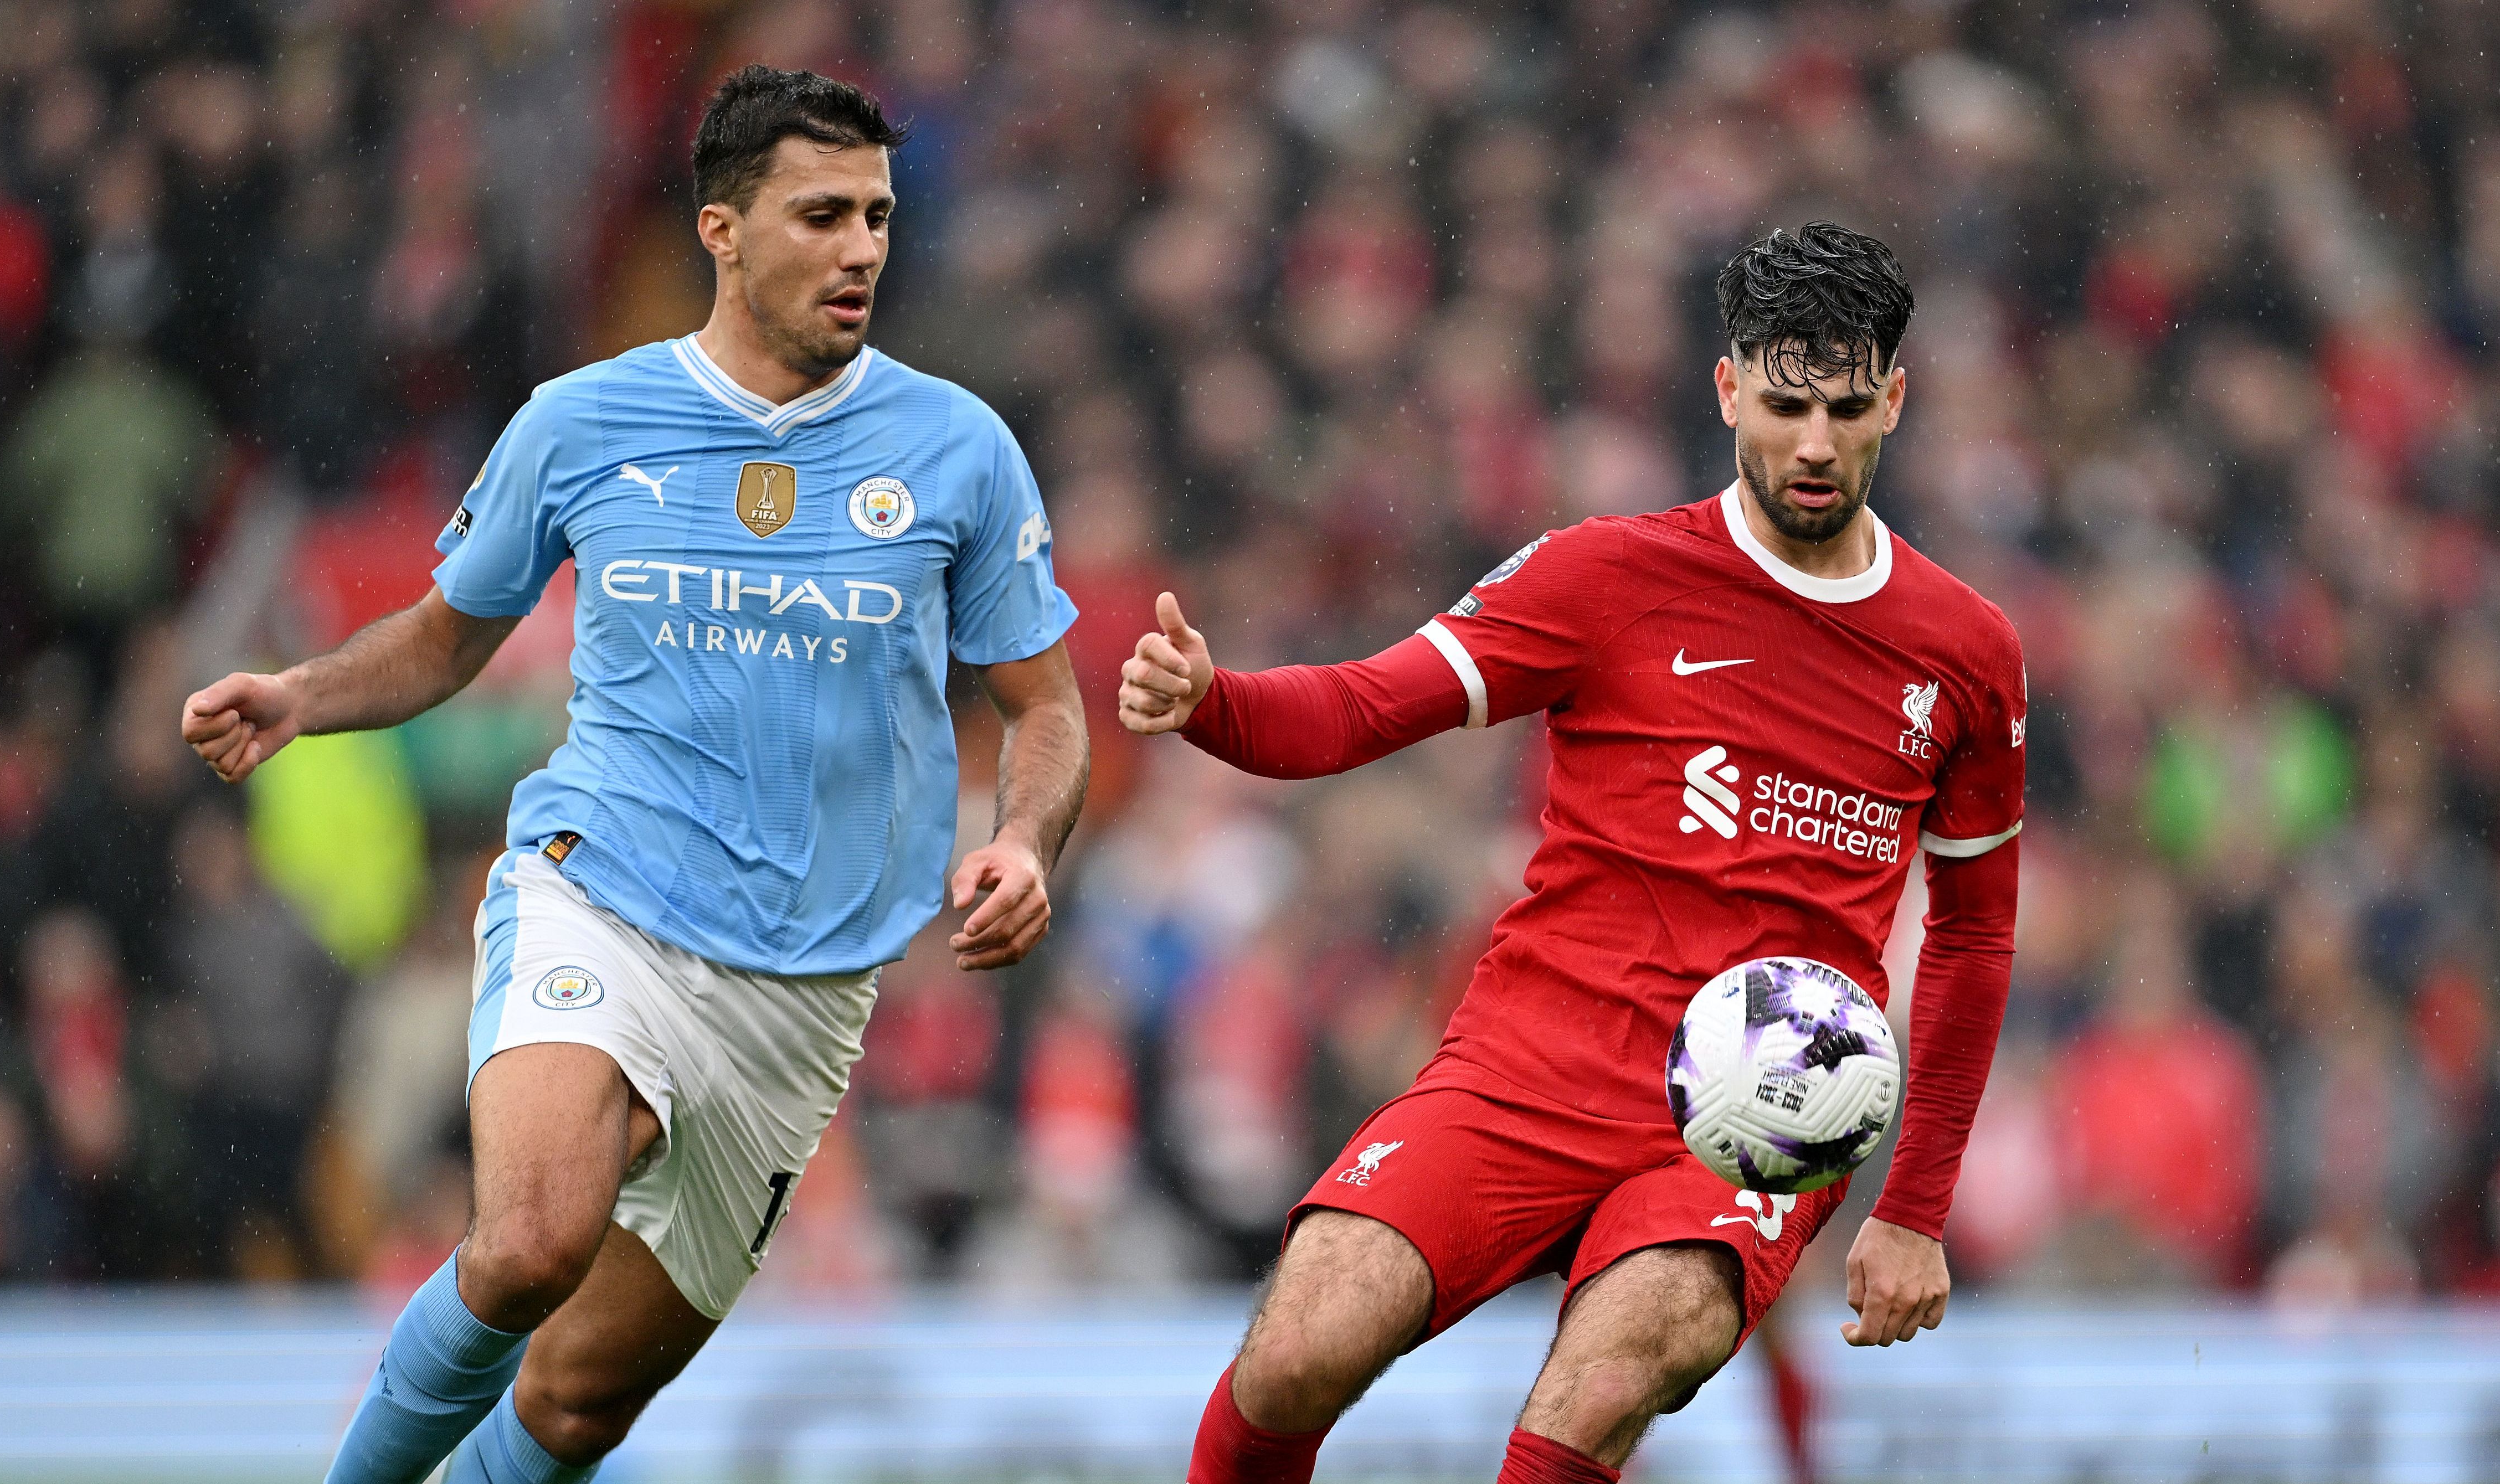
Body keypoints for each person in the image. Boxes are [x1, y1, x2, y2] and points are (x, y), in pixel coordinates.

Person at [182, 66, 1086, 1484]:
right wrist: (303, 692)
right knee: (533, 1238)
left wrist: (1026, 837)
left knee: (576, 1402)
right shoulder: (581, 421)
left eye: (878, 217)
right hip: (597, 893)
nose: (860, 249)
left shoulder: (959, 449)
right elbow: (443, 636)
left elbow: (1046, 704)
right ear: (721, 230)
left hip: (804, 992)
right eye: (821, 215)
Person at [1118, 223, 2023, 1484]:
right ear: (1726, 390)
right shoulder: (1605, 573)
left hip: (1748, 1111)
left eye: (1846, 407)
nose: (1813, 443)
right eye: (1782, 404)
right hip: (1531, 1055)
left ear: (1895, 401)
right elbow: (1362, 706)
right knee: (1297, 1345)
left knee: (1594, 1393)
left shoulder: (1964, 651)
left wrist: (1913, 1209)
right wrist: (1212, 699)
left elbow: (1976, 935)